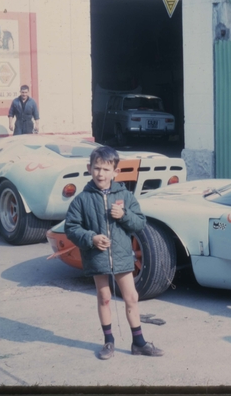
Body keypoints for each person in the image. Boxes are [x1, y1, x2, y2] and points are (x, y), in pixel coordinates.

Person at [64, 145, 164, 360]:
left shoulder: (125, 196)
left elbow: (139, 223)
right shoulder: (82, 199)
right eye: (97, 168)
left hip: (121, 255)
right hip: (96, 256)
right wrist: (91, 238)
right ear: (89, 168)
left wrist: (124, 215)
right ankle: (108, 341)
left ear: (115, 172)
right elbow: (71, 228)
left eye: (106, 169)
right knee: (104, 297)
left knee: (131, 297)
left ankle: (139, 342)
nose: (101, 174)